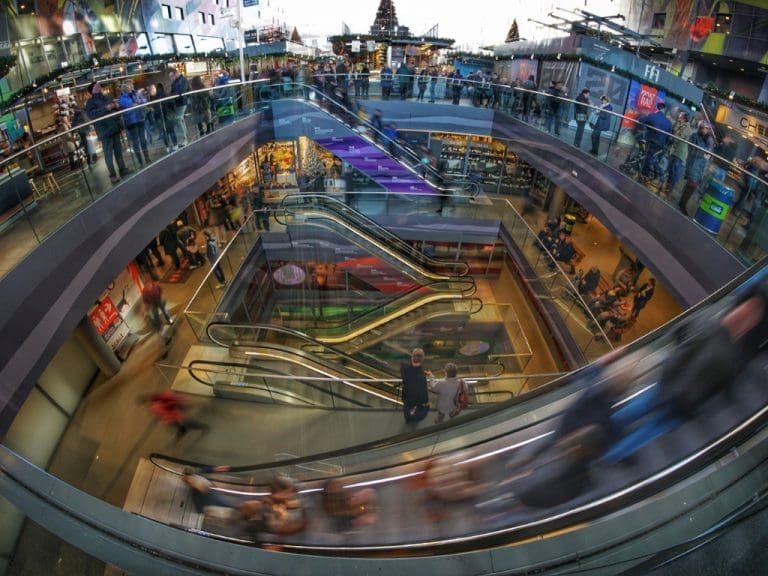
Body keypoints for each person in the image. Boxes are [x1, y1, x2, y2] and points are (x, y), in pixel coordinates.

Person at [602, 279, 768, 464]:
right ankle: (616, 455)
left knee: (642, 405)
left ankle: (607, 427)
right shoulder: (731, 358)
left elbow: (678, 333)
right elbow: (720, 388)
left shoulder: (705, 321)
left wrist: (671, 367)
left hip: (668, 381)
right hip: (684, 402)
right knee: (653, 429)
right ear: (745, 329)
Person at [84, 81, 130, 183]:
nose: (99, 86)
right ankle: (112, 175)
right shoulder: (90, 102)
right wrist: (106, 108)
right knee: (108, 154)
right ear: (92, 90)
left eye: (99, 85)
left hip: (114, 127)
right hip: (104, 131)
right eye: (96, 85)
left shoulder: (107, 97)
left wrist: (116, 106)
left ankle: (123, 170)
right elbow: (92, 115)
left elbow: (116, 109)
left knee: (118, 151)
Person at [678, 121, 716, 216]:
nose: (707, 130)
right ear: (701, 128)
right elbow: (692, 151)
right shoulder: (694, 136)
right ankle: (682, 205)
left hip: (700, 167)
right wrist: (704, 155)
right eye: (705, 128)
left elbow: (708, 153)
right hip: (694, 164)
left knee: (691, 186)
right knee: (692, 186)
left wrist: (707, 154)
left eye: (708, 129)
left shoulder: (707, 139)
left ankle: (681, 202)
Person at [117, 80, 151, 168]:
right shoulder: (122, 98)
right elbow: (125, 109)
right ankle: (140, 161)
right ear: (125, 86)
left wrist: (139, 102)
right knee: (136, 142)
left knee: (143, 140)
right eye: (130, 84)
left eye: (132, 84)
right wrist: (132, 106)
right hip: (131, 122)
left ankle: (147, 158)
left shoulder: (135, 94)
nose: (132, 86)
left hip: (140, 119)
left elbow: (144, 100)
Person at [638, 102, 673, 179]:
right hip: (661, 145)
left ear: (656, 108)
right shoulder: (669, 123)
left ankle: (644, 174)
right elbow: (668, 137)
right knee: (653, 158)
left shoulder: (653, 116)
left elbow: (640, 120)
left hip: (651, 141)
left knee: (647, 155)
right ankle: (654, 174)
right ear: (665, 111)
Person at [664, 111, 692, 197]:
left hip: (679, 154)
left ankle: (670, 189)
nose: (678, 118)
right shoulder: (681, 125)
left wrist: (675, 131)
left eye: (680, 117)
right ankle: (667, 187)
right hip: (674, 151)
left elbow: (678, 137)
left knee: (674, 172)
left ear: (684, 118)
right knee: (670, 170)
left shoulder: (687, 128)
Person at [400, 348, 431, 423]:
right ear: (422, 359)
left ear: (412, 357)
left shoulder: (404, 368)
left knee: (407, 417)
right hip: (415, 403)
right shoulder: (421, 377)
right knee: (414, 418)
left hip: (406, 399)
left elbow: (408, 368)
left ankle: (408, 420)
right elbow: (423, 395)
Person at [168, 67, 189, 147]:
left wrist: (173, 95)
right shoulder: (176, 82)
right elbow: (174, 92)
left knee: (178, 119)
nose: (171, 78)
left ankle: (184, 139)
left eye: (171, 76)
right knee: (180, 119)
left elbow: (182, 91)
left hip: (182, 102)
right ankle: (185, 137)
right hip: (178, 103)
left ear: (175, 74)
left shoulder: (183, 80)